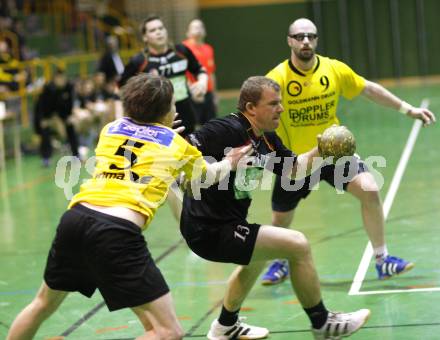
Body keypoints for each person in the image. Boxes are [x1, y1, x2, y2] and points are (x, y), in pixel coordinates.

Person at [7, 73, 250, 340]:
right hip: (115, 232)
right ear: (165, 110)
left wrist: (163, 130)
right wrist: (230, 162)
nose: (175, 109)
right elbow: (203, 179)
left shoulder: (110, 128)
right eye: (172, 105)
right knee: (168, 332)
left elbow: (143, 142)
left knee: (42, 304)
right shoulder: (177, 145)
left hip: (75, 219)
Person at [180, 76, 370, 339]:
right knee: (297, 244)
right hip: (208, 228)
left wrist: (319, 151)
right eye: (273, 103)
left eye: (280, 102)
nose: (281, 108)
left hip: (229, 223)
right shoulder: (225, 129)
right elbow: (185, 152)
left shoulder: (266, 140)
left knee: (259, 256)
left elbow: (293, 170)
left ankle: (225, 326)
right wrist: (219, 163)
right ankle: (322, 323)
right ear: (250, 108)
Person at [260, 18, 437, 285]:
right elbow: (259, 113)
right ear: (289, 41)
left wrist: (407, 109)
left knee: (369, 189)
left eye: (310, 36)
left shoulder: (333, 69)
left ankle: (382, 259)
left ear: (316, 40)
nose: (305, 41)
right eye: (299, 36)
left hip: (334, 150)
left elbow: (368, 89)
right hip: (298, 160)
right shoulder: (277, 78)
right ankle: (278, 260)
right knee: (280, 218)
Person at [119, 15, 208, 136]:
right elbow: (121, 87)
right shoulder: (138, 61)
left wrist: (202, 82)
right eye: (153, 30)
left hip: (186, 114)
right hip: (155, 120)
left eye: (161, 28)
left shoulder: (181, 51)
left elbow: (199, 69)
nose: (158, 32)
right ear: (145, 37)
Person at [33, 68, 79, 167]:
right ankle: (46, 158)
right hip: (48, 118)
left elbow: (71, 104)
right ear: (55, 79)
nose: (61, 80)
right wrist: (45, 120)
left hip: (64, 117)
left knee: (71, 127)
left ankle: (76, 155)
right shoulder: (48, 89)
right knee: (45, 131)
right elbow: (41, 107)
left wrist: (70, 116)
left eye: (63, 78)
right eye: (59, 78)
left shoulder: (69, 87)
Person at [183, 18, 217, 125]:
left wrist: (214, 95)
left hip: (208, 94)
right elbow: (182, 74)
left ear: (205, 31)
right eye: (195, 27)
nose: (198, 29)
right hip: (192, 93)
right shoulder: (183, 48)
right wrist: (193, 92)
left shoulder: (209, 49)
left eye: (200, 26)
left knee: (211, 125)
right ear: (188, 33)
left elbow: (211, 73)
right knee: (191, 126)